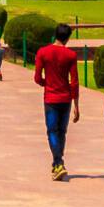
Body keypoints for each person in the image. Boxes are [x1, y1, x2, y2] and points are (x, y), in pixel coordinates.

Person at [34, 22, 80, 180]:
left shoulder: (43, 52)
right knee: (61, 131)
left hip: (51, 97)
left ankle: (58, 163)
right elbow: (74, 82)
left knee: (52, 131)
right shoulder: (70, 55)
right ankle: (57, 164)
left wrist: (46, 83)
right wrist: (77, 105)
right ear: (67, 38)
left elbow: (37, 77)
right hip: (65, 98)